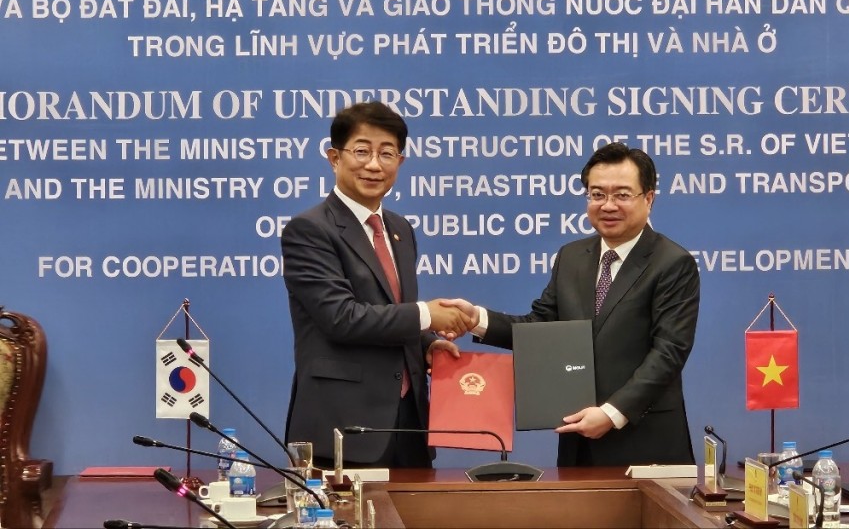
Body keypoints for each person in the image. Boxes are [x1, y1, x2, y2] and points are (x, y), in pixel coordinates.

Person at [447, 142, 700, 466]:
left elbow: (669, 352)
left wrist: (611, 413)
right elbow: (543, 327)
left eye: (622, 194)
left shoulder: (672, 263)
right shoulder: (572, 257)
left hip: (645, 443)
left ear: (648, 198)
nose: (608, 205)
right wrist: (476, 320)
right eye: (597, 194)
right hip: (578, 441)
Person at [282, 101, 469, 468]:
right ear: (334, 157)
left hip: (409, 426)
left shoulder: (400, 229)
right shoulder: (309, 230)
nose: (374, 164)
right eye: (362, 151)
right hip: (342, 429)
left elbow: (390, 308)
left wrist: (427, 345)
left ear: (400, 162)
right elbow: (341, 317)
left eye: (386, 153)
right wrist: (427, 316)